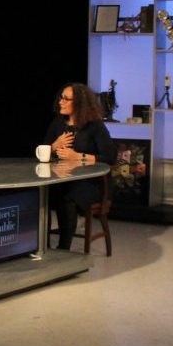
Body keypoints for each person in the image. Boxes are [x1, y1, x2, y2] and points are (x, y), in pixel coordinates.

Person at [43, 82, 117, 250]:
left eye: (66, 99)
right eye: (61, 97)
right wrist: (53, 146)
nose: (60, 102)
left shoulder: (95, 126)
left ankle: (63, 249)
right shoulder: (58, 123)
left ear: (79, 103)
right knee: (41, 197)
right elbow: (43, 150)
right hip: (62, 179)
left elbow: (110, 157)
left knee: (67, 199)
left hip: (91, 183)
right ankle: (43, 246)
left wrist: (79, 157)